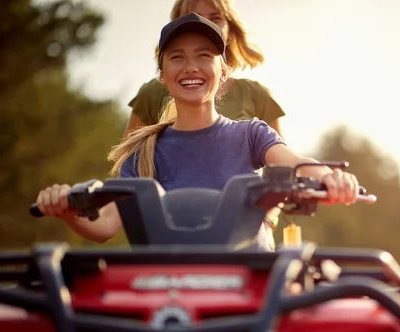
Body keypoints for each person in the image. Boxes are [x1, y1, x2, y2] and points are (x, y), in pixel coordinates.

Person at [34, 13, 360, 252]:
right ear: (162, 74)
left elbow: (296, 162)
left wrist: (330, 176)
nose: (190, 66)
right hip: (167, 292)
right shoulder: (143, 151)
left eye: (204, 56)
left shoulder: (251, 134)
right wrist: (66, 212)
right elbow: (104, 225)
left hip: (251, 285)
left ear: (223, 71)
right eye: (177, 58)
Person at [124, 0, 286, 246]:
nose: (191, 68)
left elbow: (287, 172)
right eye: (193, 16)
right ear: (162, 73)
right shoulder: (150, 108)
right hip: (175, 248)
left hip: (245, 242)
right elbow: (123, 190)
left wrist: (263, 219)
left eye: (215, 18)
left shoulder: (252, 123)